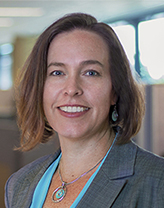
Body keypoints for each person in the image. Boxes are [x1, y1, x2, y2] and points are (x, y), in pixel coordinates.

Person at [5, 13, 164, 208]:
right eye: (57, 72)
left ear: (115, 90)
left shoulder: (156, 183)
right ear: (40, 88)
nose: (72, 89)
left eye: (90, 72)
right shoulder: (19, 184)